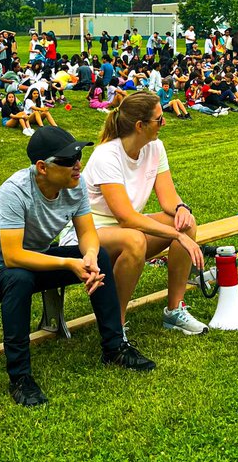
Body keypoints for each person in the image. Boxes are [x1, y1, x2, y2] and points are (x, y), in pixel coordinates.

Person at [0, 126, 156, 406]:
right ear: (42, 167)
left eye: (79, 156)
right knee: (18, 278)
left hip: (37, 257)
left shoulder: (75, 184)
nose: (77, 165)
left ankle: (114, 347)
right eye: (68, 160)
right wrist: (70, 263)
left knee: (101, 255)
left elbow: (87, 234)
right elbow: (12, 256)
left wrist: (90, 256)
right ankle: (21, 378)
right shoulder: (14, 191)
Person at [63, 92, 207, 336]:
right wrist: (177, 236)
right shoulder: (106, 155)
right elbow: (126, 218)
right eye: (159, 120)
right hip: (86, 237)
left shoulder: (155, 148)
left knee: (186, 223)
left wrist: (181, 209)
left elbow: (169, 198)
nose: (164, 123)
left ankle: (174, 310)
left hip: (125, 232)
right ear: (140, 126)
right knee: (136, 239)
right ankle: (115, 326)